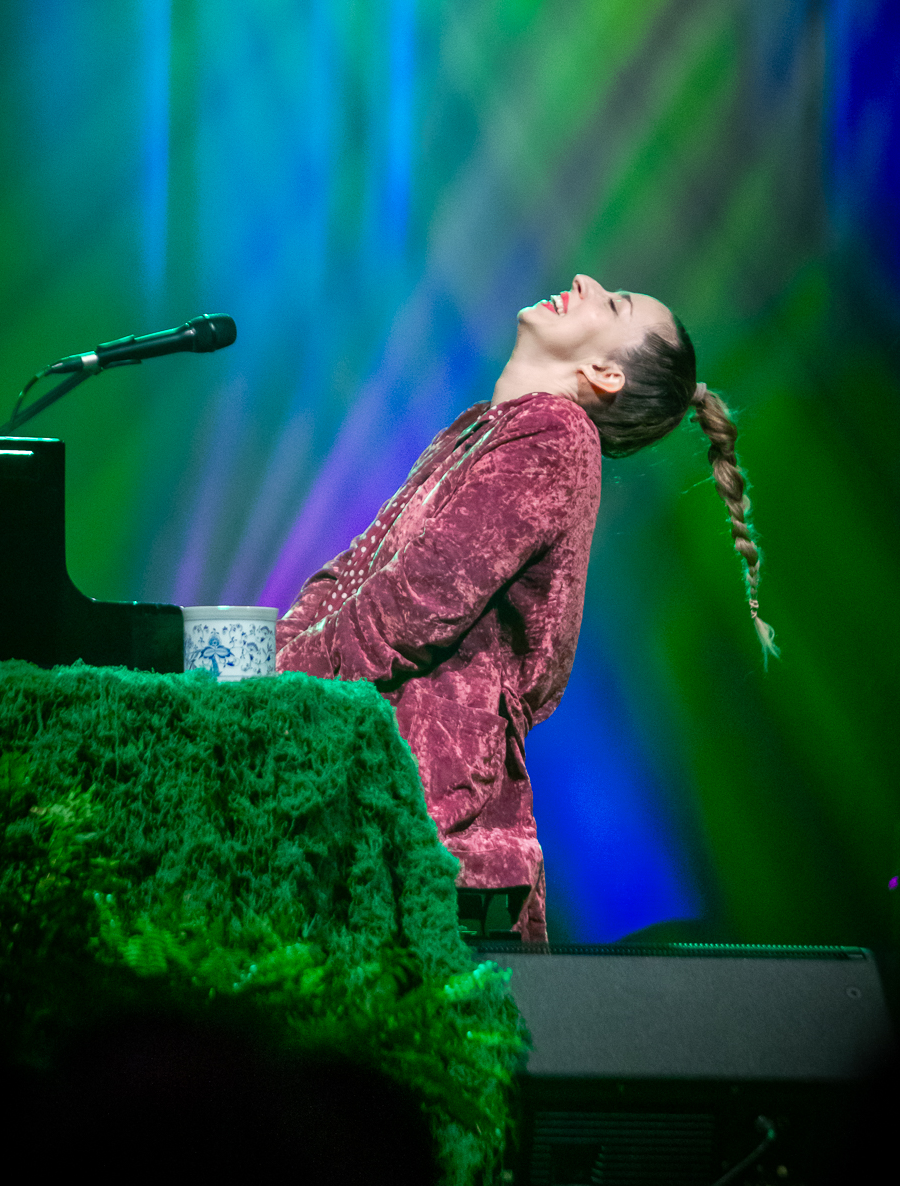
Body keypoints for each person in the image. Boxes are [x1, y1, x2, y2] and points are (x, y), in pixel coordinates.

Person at [275, 274, 774, 941]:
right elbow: (350, 576)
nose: (585, 281)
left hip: (419, 827)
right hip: (367, 803)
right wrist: (260, 661)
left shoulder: (554, 436)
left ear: (604, 374)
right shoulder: (475, 432)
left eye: (614, 304)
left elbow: (411, 606)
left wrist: (263, 679)